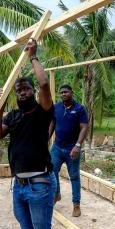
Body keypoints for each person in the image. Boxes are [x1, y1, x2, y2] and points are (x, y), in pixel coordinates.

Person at [0, 38, 56, 229]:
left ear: (33, 92)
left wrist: (33, 55)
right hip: (19, 186)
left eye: (26, 88)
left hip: (40, 184)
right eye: (18, 91)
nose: (22, 92)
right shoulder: (14, 116)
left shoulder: (42, 112)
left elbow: (44, 84)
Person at [49, 85, 88, 217]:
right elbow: (53, 123)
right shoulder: (57, 107)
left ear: (72, 92)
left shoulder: (79, 109)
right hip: (57, 147)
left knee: (74, 177)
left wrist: (77, 145)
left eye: (66, 92)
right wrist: (46, 138)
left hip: (73, 149)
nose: (63, 94)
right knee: (51, 171)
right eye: (61, 92)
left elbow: (84, 127)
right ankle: (56, 194)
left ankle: (76, 205)